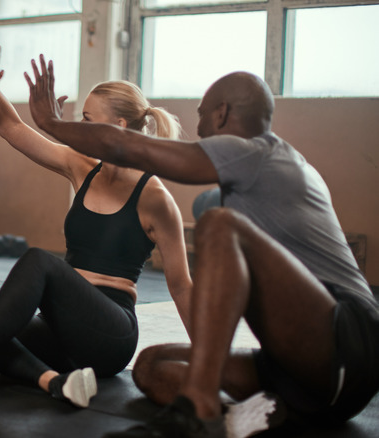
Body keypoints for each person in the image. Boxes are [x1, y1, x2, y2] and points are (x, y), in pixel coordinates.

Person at [25, 59, 379, 437]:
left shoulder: (255, 150)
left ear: (222, 113)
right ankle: (247, 417)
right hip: (302, 378)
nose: (197, 127)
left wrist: (51, 123)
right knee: (152, 366)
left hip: (349, 343)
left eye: (202, 114)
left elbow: (127, 148)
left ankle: (198, 409)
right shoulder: (267, 169)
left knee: (218, 224)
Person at [0, 11, 193, 413]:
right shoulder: (81, 166)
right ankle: (53, 381)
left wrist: (210, 366)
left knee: (40, 262)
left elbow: (183, 287)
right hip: (58, 331)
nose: (76, 128)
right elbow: (11, 127)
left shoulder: (154, 197)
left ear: (118, 126)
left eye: (87, 120)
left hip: (109, 336)